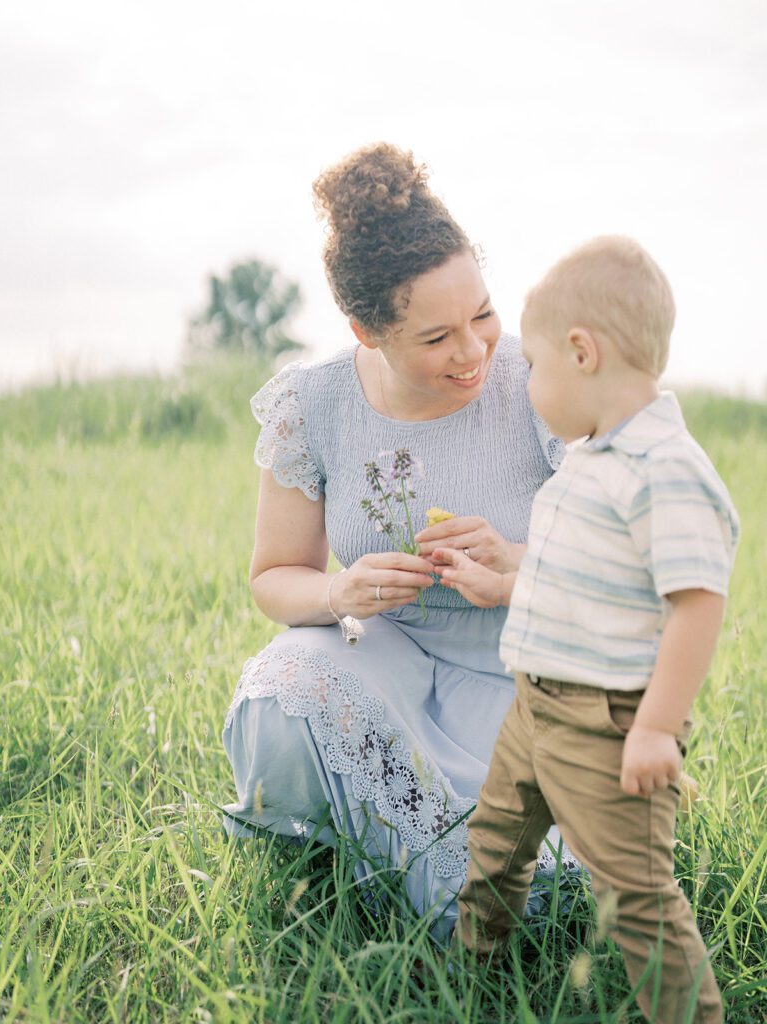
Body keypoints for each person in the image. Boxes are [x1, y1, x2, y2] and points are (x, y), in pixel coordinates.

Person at [221, 142, 576, 942]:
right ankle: (393, 853)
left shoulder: (540, 383)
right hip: (389, 662)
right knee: (285, 686)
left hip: (523, 676)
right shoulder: (311, 405)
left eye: (483, 314)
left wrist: (520, 570)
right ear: (365, 329)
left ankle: (431, 868)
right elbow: (276, 576)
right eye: (436, 337)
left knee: (541, 887)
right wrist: (339, 594)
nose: (474, 351)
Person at [441, 236, 739, 1021]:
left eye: (532, 366)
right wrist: (502, 583)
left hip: (607, 724)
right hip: (534, 706)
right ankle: (472, 980)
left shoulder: (665, 467)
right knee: (496, 845)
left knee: (636, 894)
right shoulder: (591, 456)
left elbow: (697, 602)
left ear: (582, 352)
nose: (526, 382)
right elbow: (583, 580)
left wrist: (657, 729)